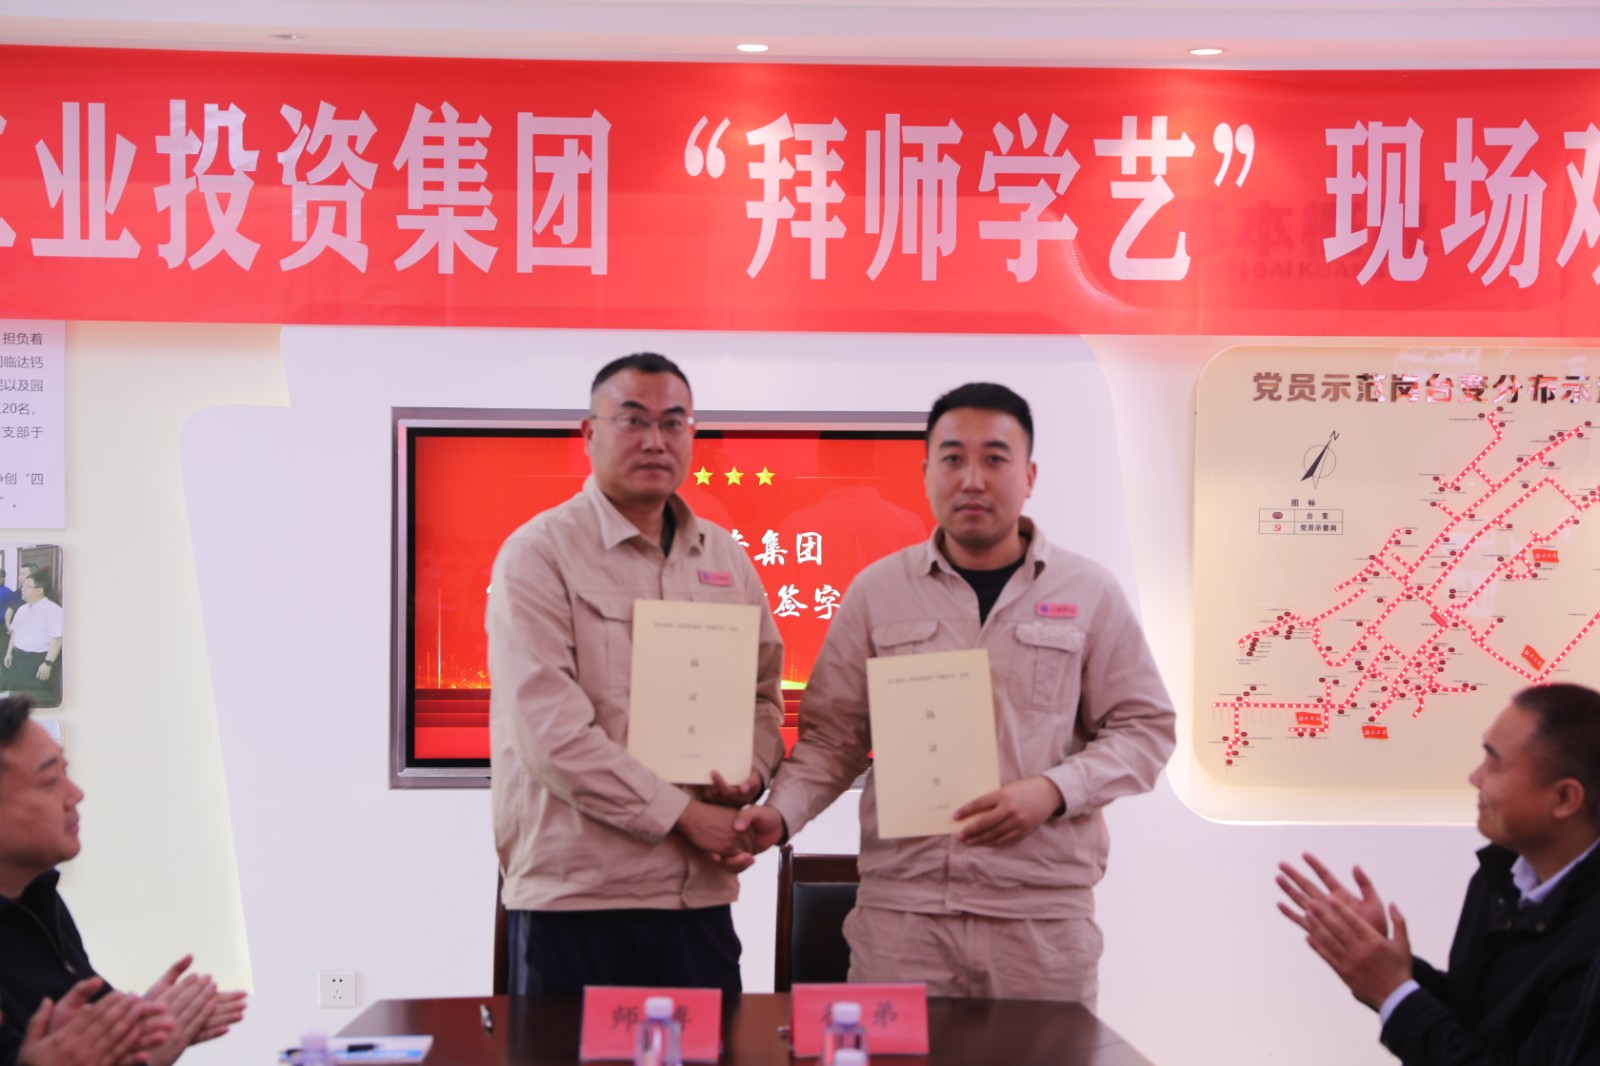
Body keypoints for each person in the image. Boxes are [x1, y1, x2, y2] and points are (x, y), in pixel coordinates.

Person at [735, 382, 1176, 1006]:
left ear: (1029, 475)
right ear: (926, 474)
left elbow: (1145, 729)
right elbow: (833, 739)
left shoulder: (1088, 592)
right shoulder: (878, 593)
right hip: (903, 920)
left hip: (1039, 921)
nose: (972, 479)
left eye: (994, 458)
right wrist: (780, 813)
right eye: (952, 459)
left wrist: (1053, 791)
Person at [487, 352, 786, 996]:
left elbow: (764, 696)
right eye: (633, 421)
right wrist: (685, 816)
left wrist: (752, 773)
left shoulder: (725, 558)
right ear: (589, 433)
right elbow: (550, 735)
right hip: (578, 899)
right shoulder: (538, 555)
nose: (655, 440)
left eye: (673, 423)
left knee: (712, 1047)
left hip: (696, 894)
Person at [1278, 683, 1600, 1065]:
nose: (1475, 777)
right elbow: (1474, 1018)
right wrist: (1383, 963)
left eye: (1495, 764)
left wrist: (1394, 992)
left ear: (1564, 798)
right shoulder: (1501, 874)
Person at [0, 696, 245, 1066]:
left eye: (66, 771)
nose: (75, 794)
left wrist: (136, 1028)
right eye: (50, 781)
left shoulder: (38, 894)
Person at [3, 573, 59, 706]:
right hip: (17, 659)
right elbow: (15, 632)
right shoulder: (22, 609)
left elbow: (57, 639)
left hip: (37, 662)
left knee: (36, 701)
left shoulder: (52, 610)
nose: (22, 589)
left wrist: (48, 663)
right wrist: (9, 653)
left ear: (39, 590)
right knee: (16, 697)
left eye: (26, 586)